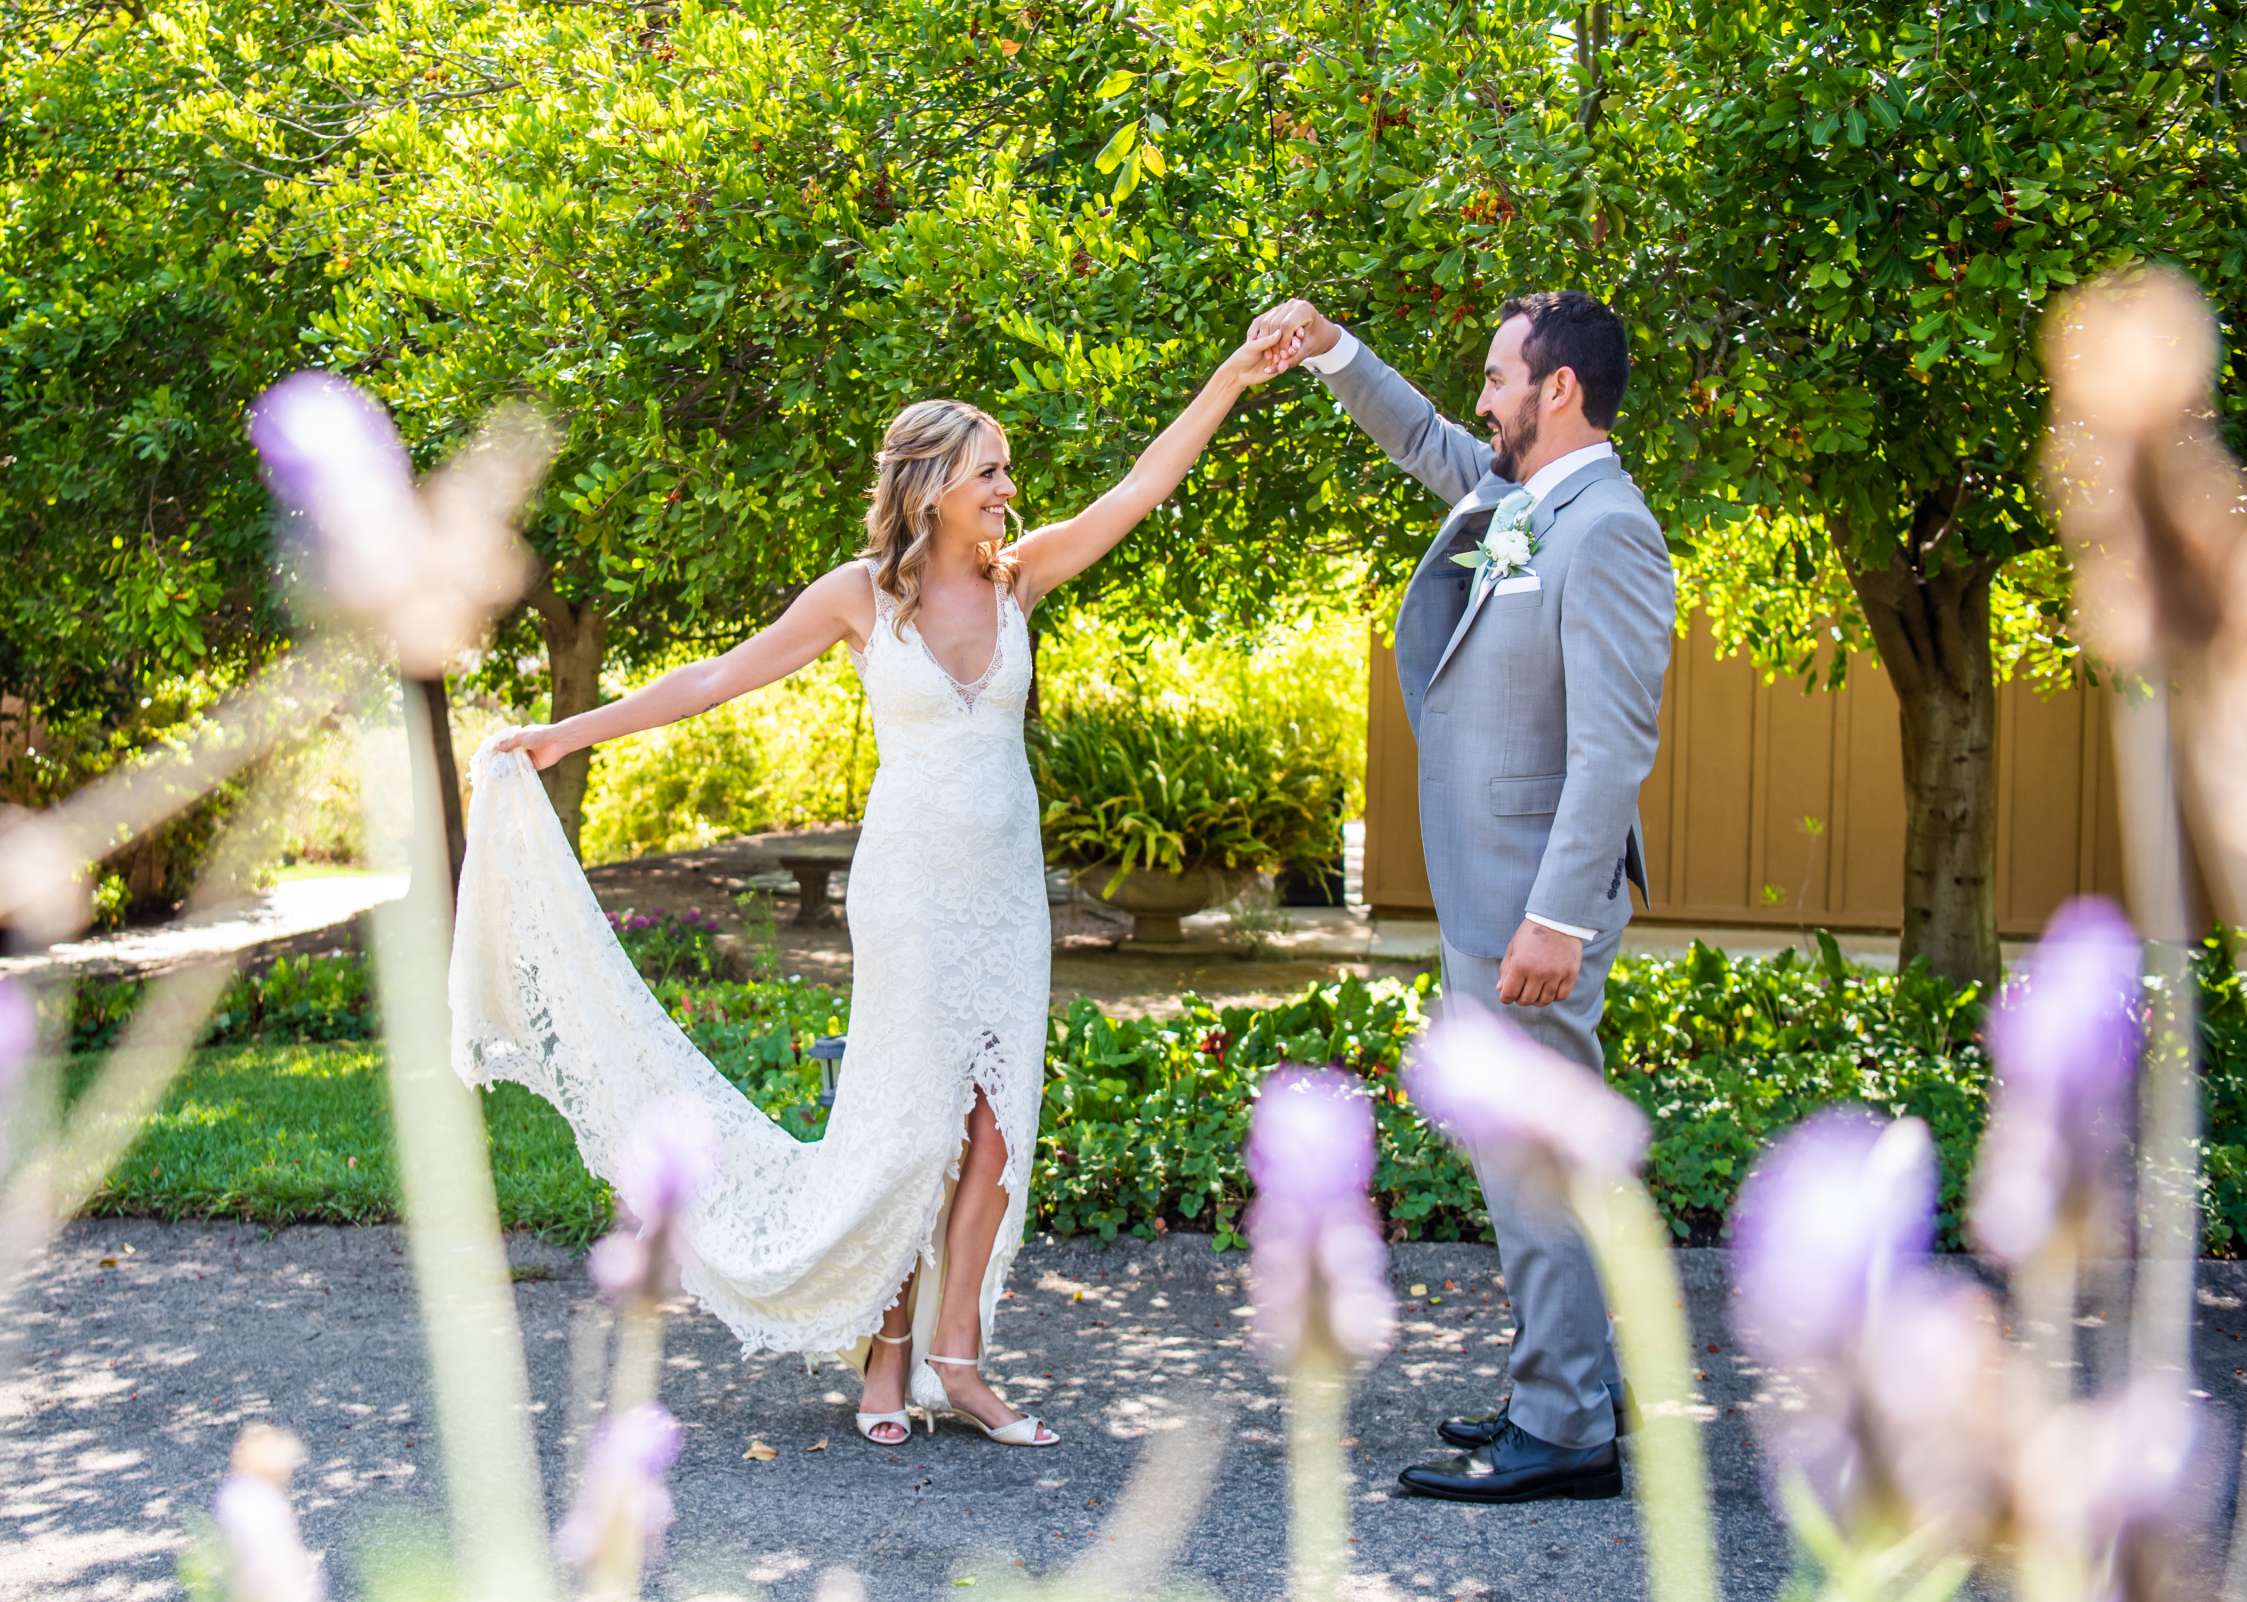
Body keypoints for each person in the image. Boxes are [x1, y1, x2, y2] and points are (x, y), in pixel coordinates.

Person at [452, 329, 1287, 1448]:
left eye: (1004, 471)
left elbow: (1142, 484)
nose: (1007, 488)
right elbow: (714, 678)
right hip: (907, 894)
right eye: (988, 470)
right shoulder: (858, 597)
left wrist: (1229, 373)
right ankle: (885, 1357)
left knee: (997, 1129)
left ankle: (960, 1361)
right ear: (933, 484)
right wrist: (564, 734)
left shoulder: (1021, 576)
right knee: (910, 1132)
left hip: (1004, 896)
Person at [1251, 290, 1675, 1503]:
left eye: (1498, 378)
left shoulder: (1607, 530)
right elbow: (1433, 445)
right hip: (1490, 896)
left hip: (1532, 907)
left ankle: (1565, 1427)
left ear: (1560, 392)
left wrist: (1560, 913)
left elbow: (1610, 748)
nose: (1481, 399)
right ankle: (1577, 1385)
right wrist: (1334, 352)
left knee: (1533, 1160)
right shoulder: (1525, 499)